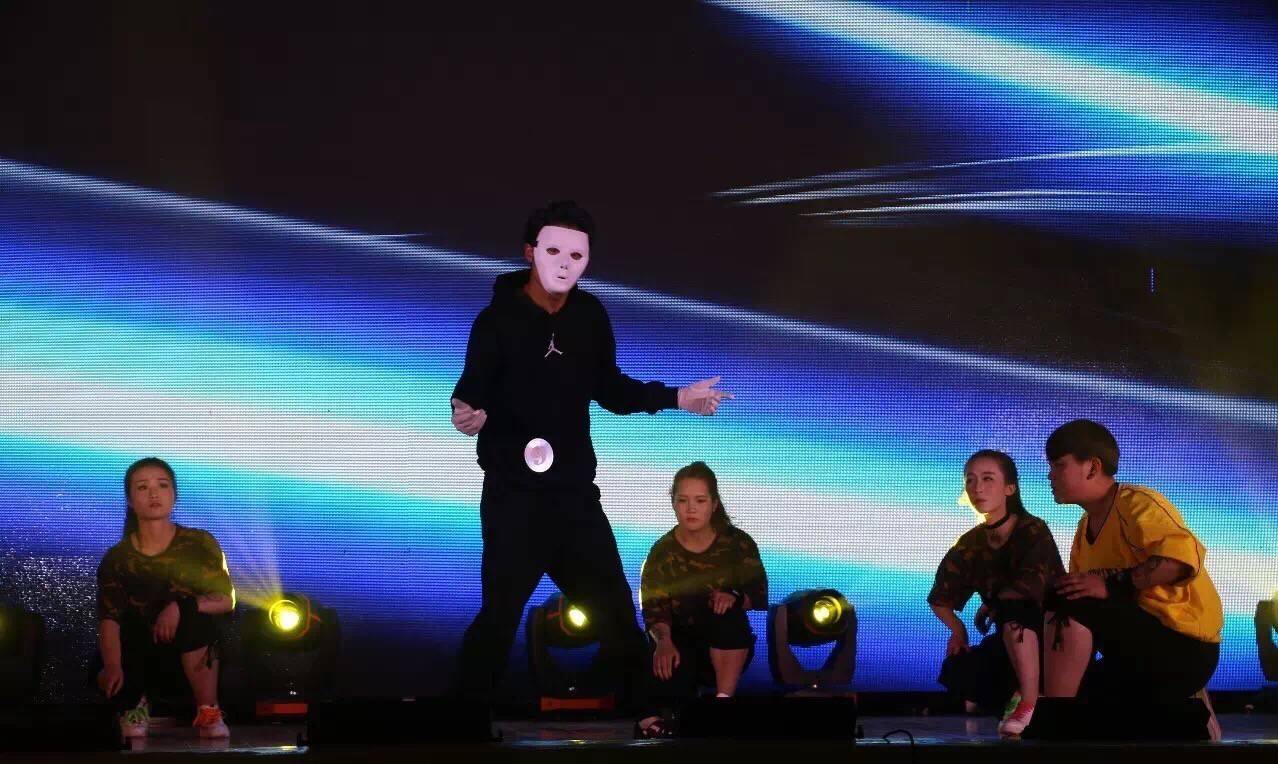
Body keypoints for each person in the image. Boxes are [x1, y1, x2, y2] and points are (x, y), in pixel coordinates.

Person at [449, 200, 733, 707]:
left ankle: (652, 719)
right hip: (515, 499)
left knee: (617, 617)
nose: (564, 264)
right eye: (553, 251)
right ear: (530, 252)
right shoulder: (496, 320)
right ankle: (460, 725)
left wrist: (677, 398)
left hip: (574, 499)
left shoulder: (589, 316)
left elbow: (610, 389)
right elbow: (471, 393)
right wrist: (466, 413)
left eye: (576, 256)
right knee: (498, 620)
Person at [1042, 419, 1223, 733]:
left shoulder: (1137, 503)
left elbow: (1181, 562)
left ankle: (1054, 719)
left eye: (1058, 465)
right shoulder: (1084, 530)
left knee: (1064, 601)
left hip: (1184, 647)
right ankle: (1192, 716)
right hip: (1134, 649)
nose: (1050, 475)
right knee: (1090, 701)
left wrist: (1111, 584)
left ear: (1092, 467)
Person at [95, 457, 235, 739]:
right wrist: (112, 666)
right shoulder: (117, 559)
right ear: (130, 500)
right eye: (142, 487)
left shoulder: (199, 542)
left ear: (174, 494)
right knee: (127, 630)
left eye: (162, 485)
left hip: (193, 648)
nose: (153, 494)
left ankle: (209, 711)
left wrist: (180, 607)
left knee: (196, 619)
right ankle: (134, 706)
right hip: (141, 653)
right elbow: (109, 618)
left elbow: (225, 599)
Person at [928, 450, 1064, 736]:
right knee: (958, 669)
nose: (977, 488)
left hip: (1051, 634)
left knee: (1016, 614)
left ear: (1009, 488)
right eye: (970, 480)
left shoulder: (1033, 529)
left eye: (988, 479)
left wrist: (994, 603)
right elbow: (941, 596)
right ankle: (1016, 694)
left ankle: (1029, 702)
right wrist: (958, 630)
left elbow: (1031, 586)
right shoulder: (971, 542)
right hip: (1007, 640)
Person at [636, 462, 767, 736]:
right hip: (679, 643)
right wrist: (663, 642)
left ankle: (723, 703)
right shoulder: (662, 552)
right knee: (653, 666)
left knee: (727, 616)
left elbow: (758, 593)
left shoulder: (738, 544)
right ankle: (658, 721)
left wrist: (734, 597)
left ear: (714, 504)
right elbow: (654, 609)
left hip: (725, 643)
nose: (691, 509)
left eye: (699, 500)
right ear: (673, 503)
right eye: (683, 500)